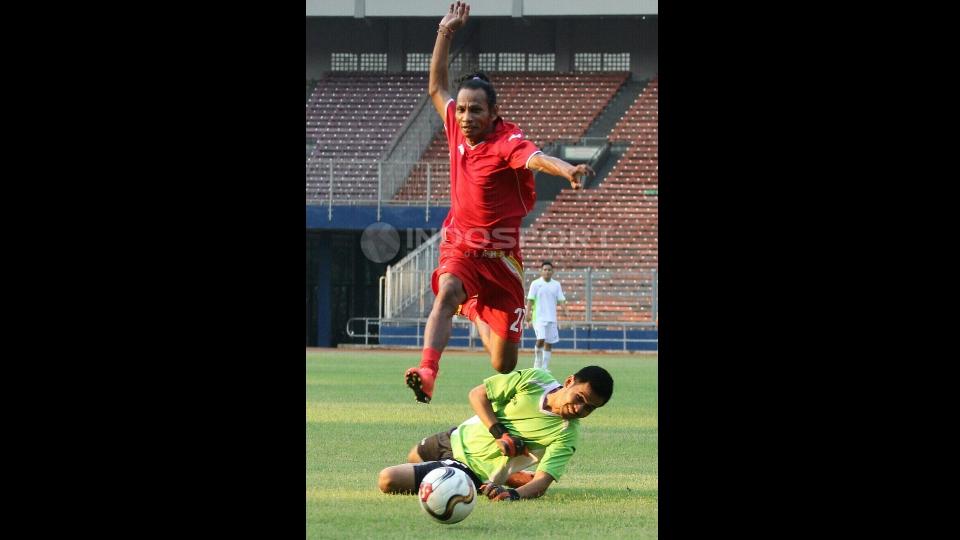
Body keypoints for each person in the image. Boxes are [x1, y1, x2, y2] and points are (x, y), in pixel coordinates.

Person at [405, 1, 595, 403]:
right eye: (464, 110)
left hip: (503, 260)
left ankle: (474, 310)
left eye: (476, 110)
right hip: (462, 244)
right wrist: (445, 32)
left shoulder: (506, 142)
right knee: (447, 291)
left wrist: (569, 171)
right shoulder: (457, 128)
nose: (466, 116)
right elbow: (436, 88)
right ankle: (428, 370)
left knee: (503, 364)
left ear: (494, 114)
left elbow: (538, 158)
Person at [379, 365, 614, 501]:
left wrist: (513, 495)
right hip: (454, 437)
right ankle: (513, 475)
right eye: (579, 398)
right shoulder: (535, 379)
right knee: (413, 456)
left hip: (470, 469)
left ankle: (494, 480)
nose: (580, 409)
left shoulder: (567, 433)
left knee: (388, 480)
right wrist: (499, 433)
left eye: (590, 408)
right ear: (569, 381)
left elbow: (542, 483)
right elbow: (477, 394)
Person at [525, 261, 567, 371]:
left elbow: (561, 300)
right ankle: (537, 364)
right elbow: (530, 300)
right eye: (545, 269)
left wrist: (566, 311)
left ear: (552, 271)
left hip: (551, 318)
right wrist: (527, 313)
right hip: (538, 318)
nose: (547, 272)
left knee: (549, 343)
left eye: (549, 270)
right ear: (541, 271)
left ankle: (544, 367)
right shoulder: (535, 284)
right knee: (541, 339)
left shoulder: (556, 284)